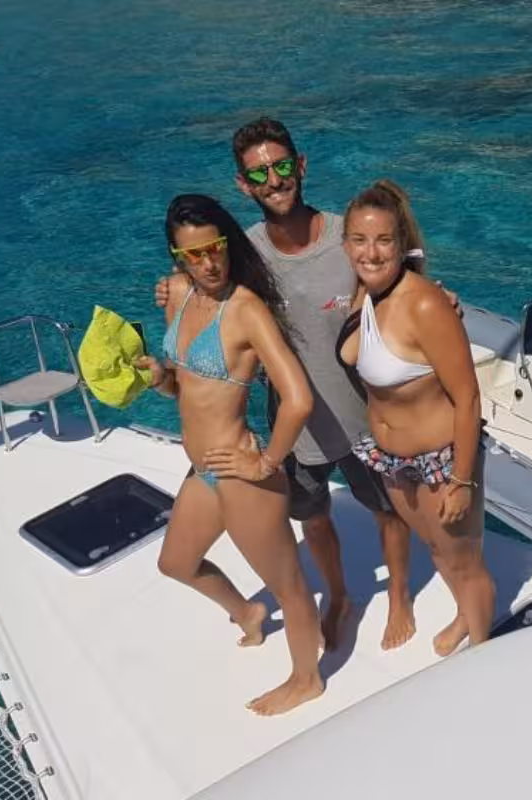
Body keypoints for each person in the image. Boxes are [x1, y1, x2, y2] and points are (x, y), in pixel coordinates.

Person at [156, 118, 417, 651]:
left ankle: (399, 597)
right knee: (314, 521)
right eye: (259, 174)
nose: (273, 181)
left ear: (301, 166)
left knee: (389, 512)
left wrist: (438, 297)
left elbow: (398, 276)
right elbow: (208, 288)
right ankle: (340, 595)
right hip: (295, 431)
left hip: (365, 418)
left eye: (280, 167)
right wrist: (175, 285)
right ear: (243, 185)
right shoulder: (243, 254)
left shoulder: (348, 238)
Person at [136, 193, 323, 716]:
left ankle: (307, 679)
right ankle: (246, 612)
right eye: (192, 255)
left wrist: (266, 463)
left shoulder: (246, 309)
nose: (208, 263)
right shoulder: (177, 295)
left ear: (228, 243)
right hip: (203, 471)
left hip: (244, 479)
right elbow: (184, 387)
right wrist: (158, 378)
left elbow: (299, 398)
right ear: (177, 257)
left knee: (289, 586)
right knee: (176, 562)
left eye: (215, 248)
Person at [335, 179, 495, 656]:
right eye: (359, 240)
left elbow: (467, 397)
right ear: (345, 245)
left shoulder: (425, 304)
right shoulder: (363, 295)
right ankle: (467, 618)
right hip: (391, 461)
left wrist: (461, 481)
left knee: (463, 564)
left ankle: (486, 657)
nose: (371, 252)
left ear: (402, 244)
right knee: (438, 550)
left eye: (384, 240)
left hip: (440, 462)